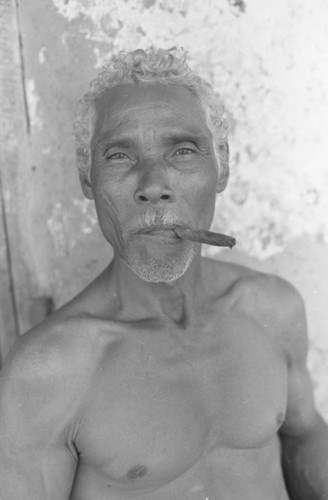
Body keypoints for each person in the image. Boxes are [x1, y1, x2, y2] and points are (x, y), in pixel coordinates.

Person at [0, 46, 327, 500]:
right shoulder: (49, 372)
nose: (153, 186)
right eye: (119, 156)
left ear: (222, 165)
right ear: (87, 179)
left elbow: (305, 437)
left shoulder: (272, 309)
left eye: (183, 151)